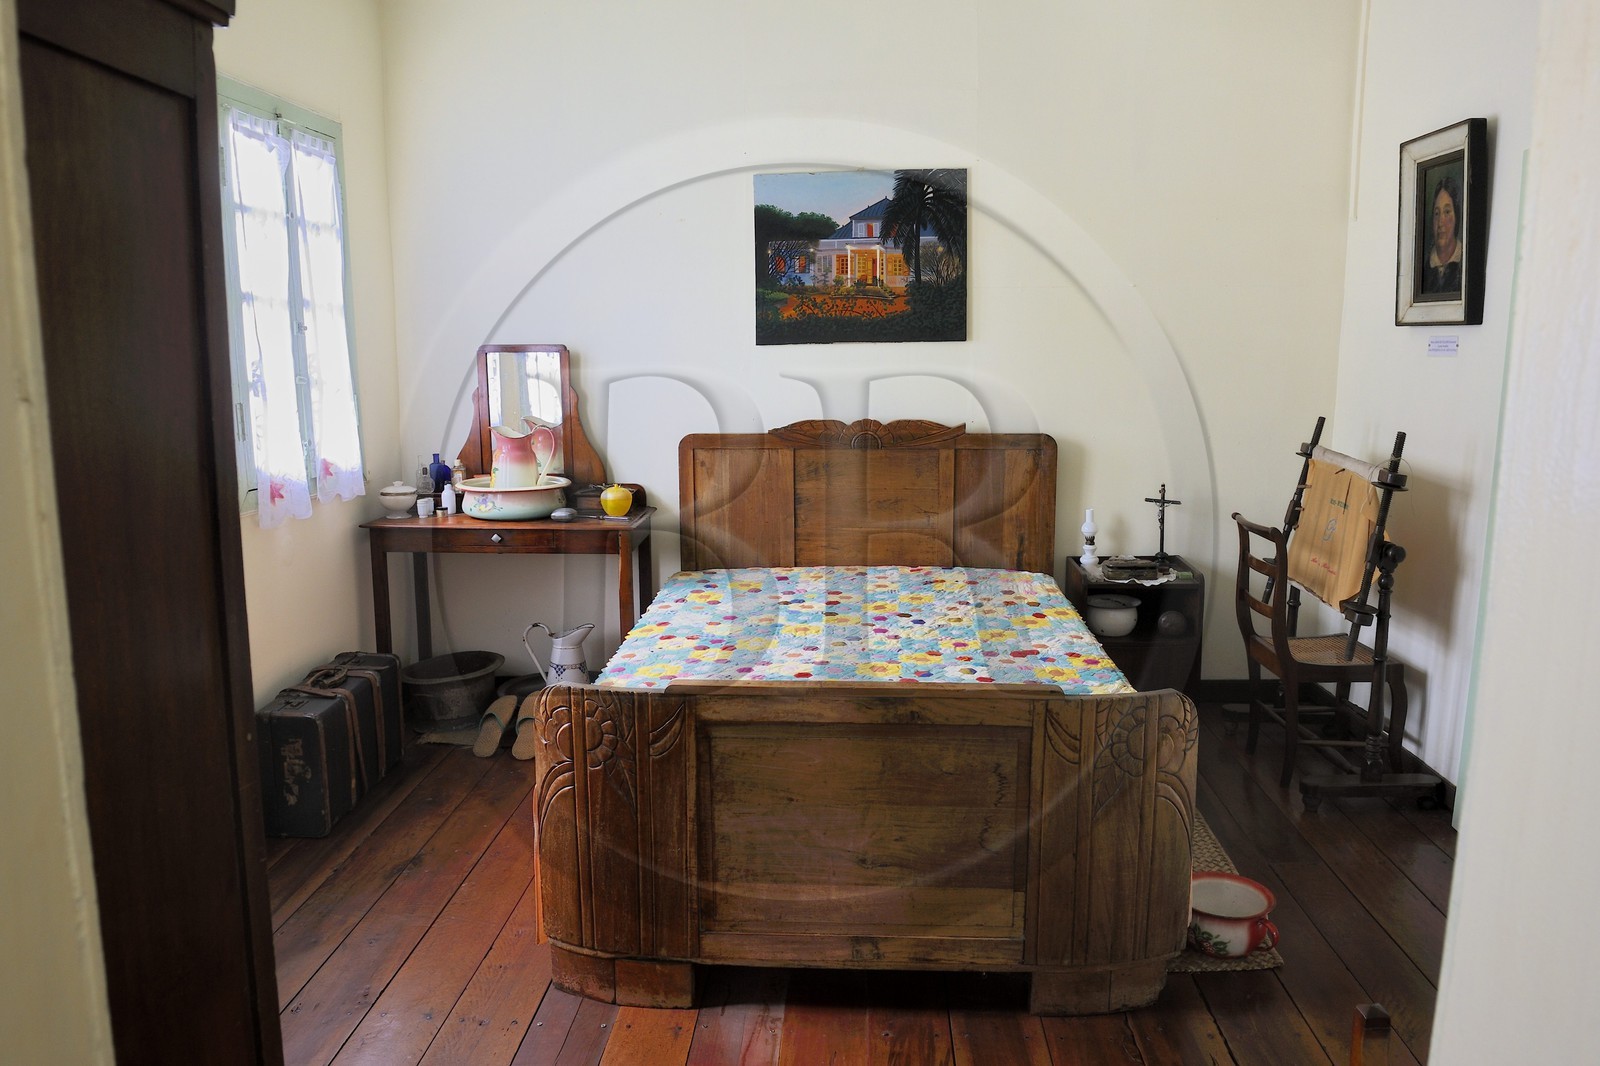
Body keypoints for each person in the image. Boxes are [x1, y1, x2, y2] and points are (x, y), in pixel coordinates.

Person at [1422, 174, 1464, 294]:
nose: (1440, 222)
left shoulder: (1465, 263)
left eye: (1447, 212)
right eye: (1436, 213)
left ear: (1457, 216)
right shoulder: (1424, 270)